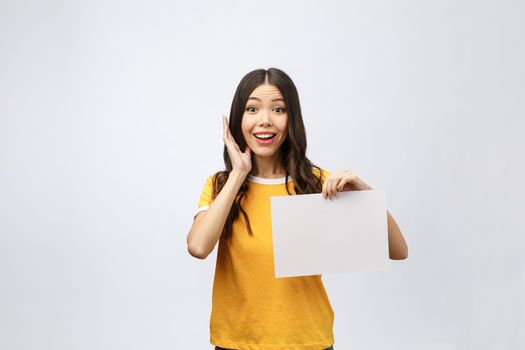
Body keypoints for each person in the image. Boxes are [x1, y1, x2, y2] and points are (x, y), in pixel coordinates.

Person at [186, 67, 409, 350]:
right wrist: (238, 174)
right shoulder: (221, 185)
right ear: (237, 119)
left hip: (307, 342)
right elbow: (198, 247)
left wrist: (365, 197)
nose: (265, 120)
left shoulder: (315, 182)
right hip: (238, 343)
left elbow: (398, 251)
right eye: (252, 109)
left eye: (278, 109)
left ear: (292, 119)